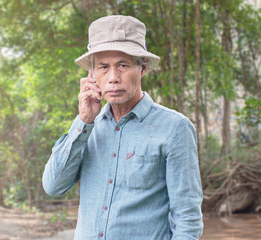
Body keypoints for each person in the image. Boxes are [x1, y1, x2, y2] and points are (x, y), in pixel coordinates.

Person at [42, 15, 203, 239]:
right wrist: (83, 121)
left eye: (123, 65)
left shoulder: (175, 128)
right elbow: (53, 186)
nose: (113, 78)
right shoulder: (87, 127)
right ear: (92, 74)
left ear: (143, 68)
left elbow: (187, 218)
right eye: (103, 67)